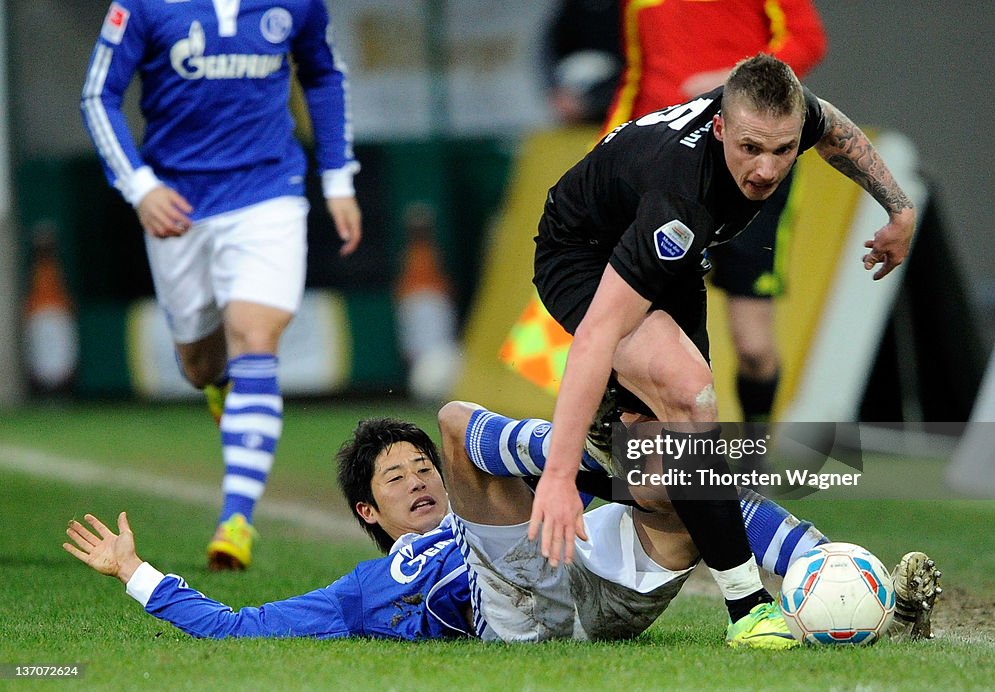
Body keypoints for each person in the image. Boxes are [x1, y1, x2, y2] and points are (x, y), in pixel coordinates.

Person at [528, 54, 917, 637]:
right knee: (689, 400)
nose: (766, 169)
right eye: (751, 149)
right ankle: (749, 612)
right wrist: (558, 477)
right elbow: (595, 337)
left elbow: (832, 124)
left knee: (677, 461)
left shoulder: (785, 117)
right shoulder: (679, 196)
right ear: (719, 128)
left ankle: (812, 577)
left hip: (671, 259)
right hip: (582, 256)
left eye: (783, 151)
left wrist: (899, 208)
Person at [63, 407, 939, 643]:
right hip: (515, 615)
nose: (417, 482)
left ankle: (862, 592)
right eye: (394, 479)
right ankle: (594, 455)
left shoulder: (489, 503)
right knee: (456, 413)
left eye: (424, 471)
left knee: (691, 484)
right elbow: (236, 626)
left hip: (586, 571)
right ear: (369, 513)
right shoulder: (368, 590)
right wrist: (134, 572)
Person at [80, 0, 362, 571]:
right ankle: (219, 389)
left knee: (256, 336)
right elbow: (97, 95)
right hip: (177, 203)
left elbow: (323, 75)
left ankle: (236, 519)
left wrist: (337, 177)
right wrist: (139, 186)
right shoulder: (141, 6)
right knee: (199, 364)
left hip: (269, 191)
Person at [602, 0, 828, 424]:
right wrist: (604, 152)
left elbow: (807, 41)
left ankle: (754, 457)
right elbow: (636, 75)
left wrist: (730, 84)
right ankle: (649, 464)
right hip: (664, 171)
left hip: (750, 168)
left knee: (754, 346)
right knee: (642, 330)